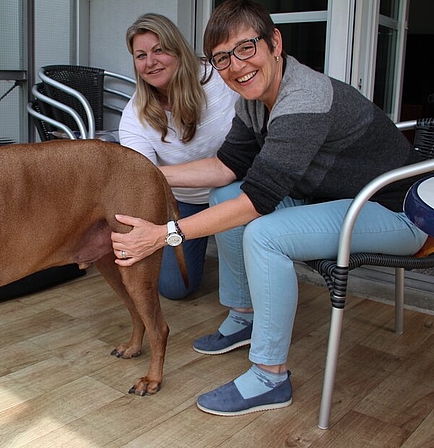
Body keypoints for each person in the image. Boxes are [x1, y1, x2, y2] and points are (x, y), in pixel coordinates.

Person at [110, 0, 428, 416]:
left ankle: (269, 376)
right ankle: (244, 317)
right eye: (223, 58)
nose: (236, 66)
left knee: (264, 232)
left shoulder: (303, 99)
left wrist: (164, 234)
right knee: (226, 195)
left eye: (246, 48)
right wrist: (152, 175)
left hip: (400, 211)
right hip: (338, 199)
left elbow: (258, 201)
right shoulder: (252, 101)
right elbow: (227, 168)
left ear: (274, 42)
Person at [118, 13, 238, 300]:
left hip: (234, 191)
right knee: (174, 288)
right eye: (141, 55)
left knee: (247, 266)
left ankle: (240, 295)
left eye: (159, 50)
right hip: (182, 201)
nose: (150, 62)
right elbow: (140, 178)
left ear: (178, 49)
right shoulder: (135, 115)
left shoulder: (221, 83)